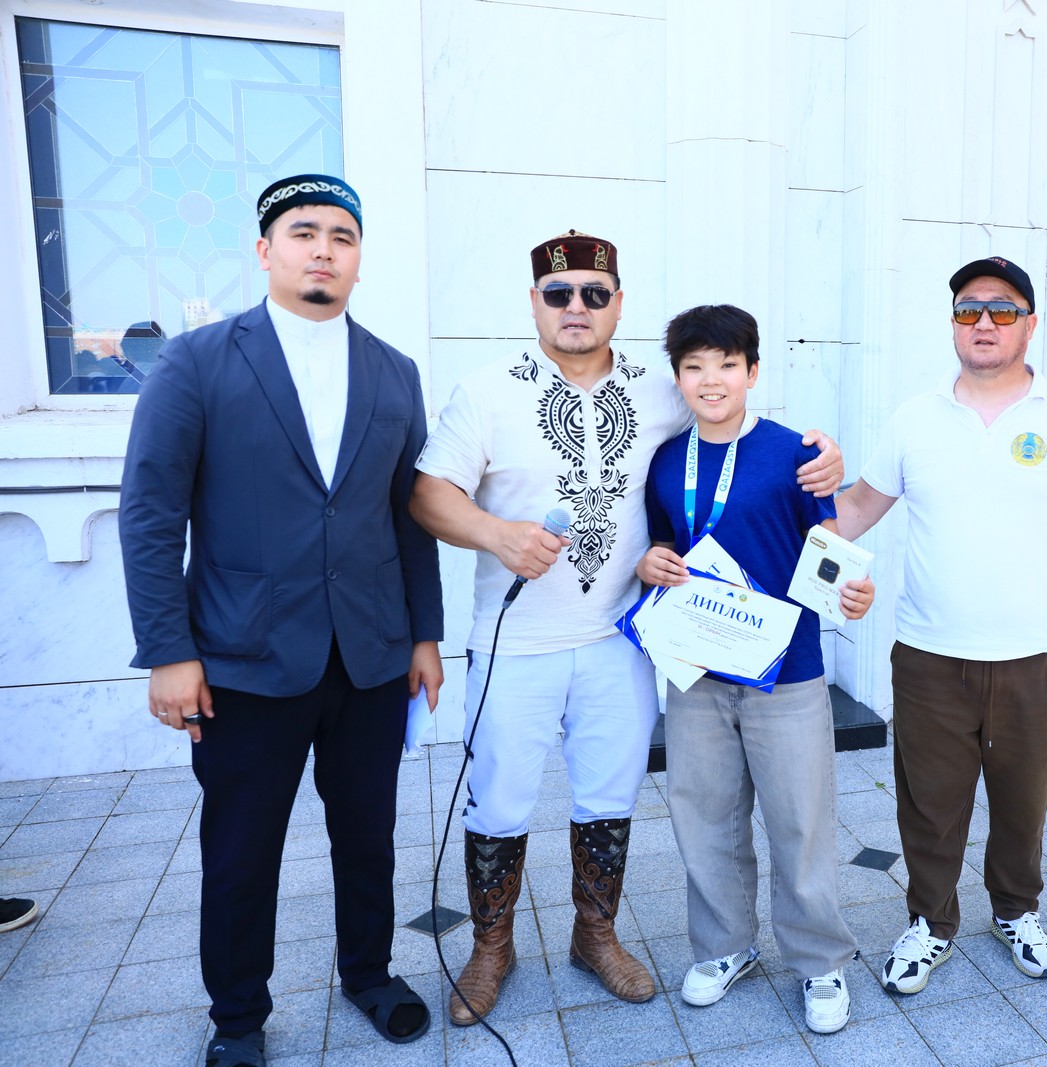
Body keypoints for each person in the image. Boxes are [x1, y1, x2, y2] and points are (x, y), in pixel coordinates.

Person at [409, 232, 844, 1022]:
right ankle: (491, 946)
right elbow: (428, 493)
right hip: (517, 643)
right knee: (498, 801)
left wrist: (821, 453)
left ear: (618, 304)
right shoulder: (487, 390)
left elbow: (729, 416)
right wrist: (496, 534)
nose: (576, 306)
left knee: (608, 797)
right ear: (534, 302)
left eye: (594, 293)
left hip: (622, 640)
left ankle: (595, 935)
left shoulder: (659, 390)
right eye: (559, 293)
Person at [120, 174, 444, 1066]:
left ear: (358, 257)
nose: (323, 250)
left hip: (370, 654)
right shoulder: (197, 361)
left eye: (342, 235)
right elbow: (151, 514)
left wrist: (423, 633)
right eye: (304, 232)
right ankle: (238, 1019)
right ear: (266, 250)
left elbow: (407, 513)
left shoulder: (394, 370)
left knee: (367, 835)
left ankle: (369, 972)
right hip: (242, 657)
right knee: (241, 850)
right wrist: (168, 650)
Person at [834, 256, 1047, 994]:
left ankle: (1016, 910)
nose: (984, 323)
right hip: (930, 657)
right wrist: (773, 515)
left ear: (1029, 325)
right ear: (952, 324)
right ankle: (931, 921)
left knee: (1022, 804)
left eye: (1002, 310)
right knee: (930, 806)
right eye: (969, 309)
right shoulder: (915, 418)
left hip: (1037, 658)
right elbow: (854, 511)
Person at [635, 304, 873, 1034]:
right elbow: (658, 546)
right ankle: (724, 947)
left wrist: (854, 592)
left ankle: (820, 959)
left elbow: (829, 546)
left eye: (727, 365)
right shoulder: (665, 460)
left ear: (754, 372)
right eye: (695, 367)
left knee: (800, 821)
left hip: (788, 672)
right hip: (697, 669)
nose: (711, 381)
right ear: (678, 377)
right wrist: (650, 563)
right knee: (705, 816)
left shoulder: (795, 453)